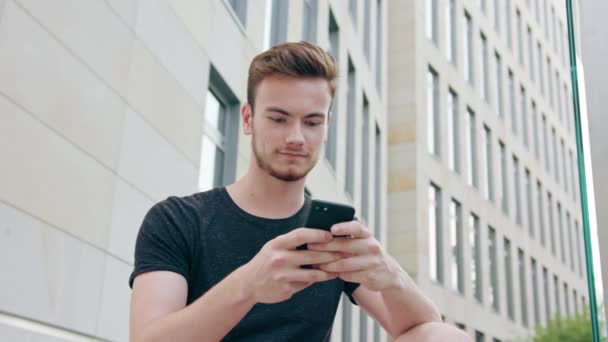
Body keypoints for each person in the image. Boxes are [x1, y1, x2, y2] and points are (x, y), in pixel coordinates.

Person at [128, 41, 471, 342]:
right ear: (247, 119)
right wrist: (249, 285)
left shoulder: (333, 236)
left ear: (326, 127)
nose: (296, 137)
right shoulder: (178, 220)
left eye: (311, 122)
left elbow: (426, 330)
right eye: (279, 119)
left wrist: (392, 276)